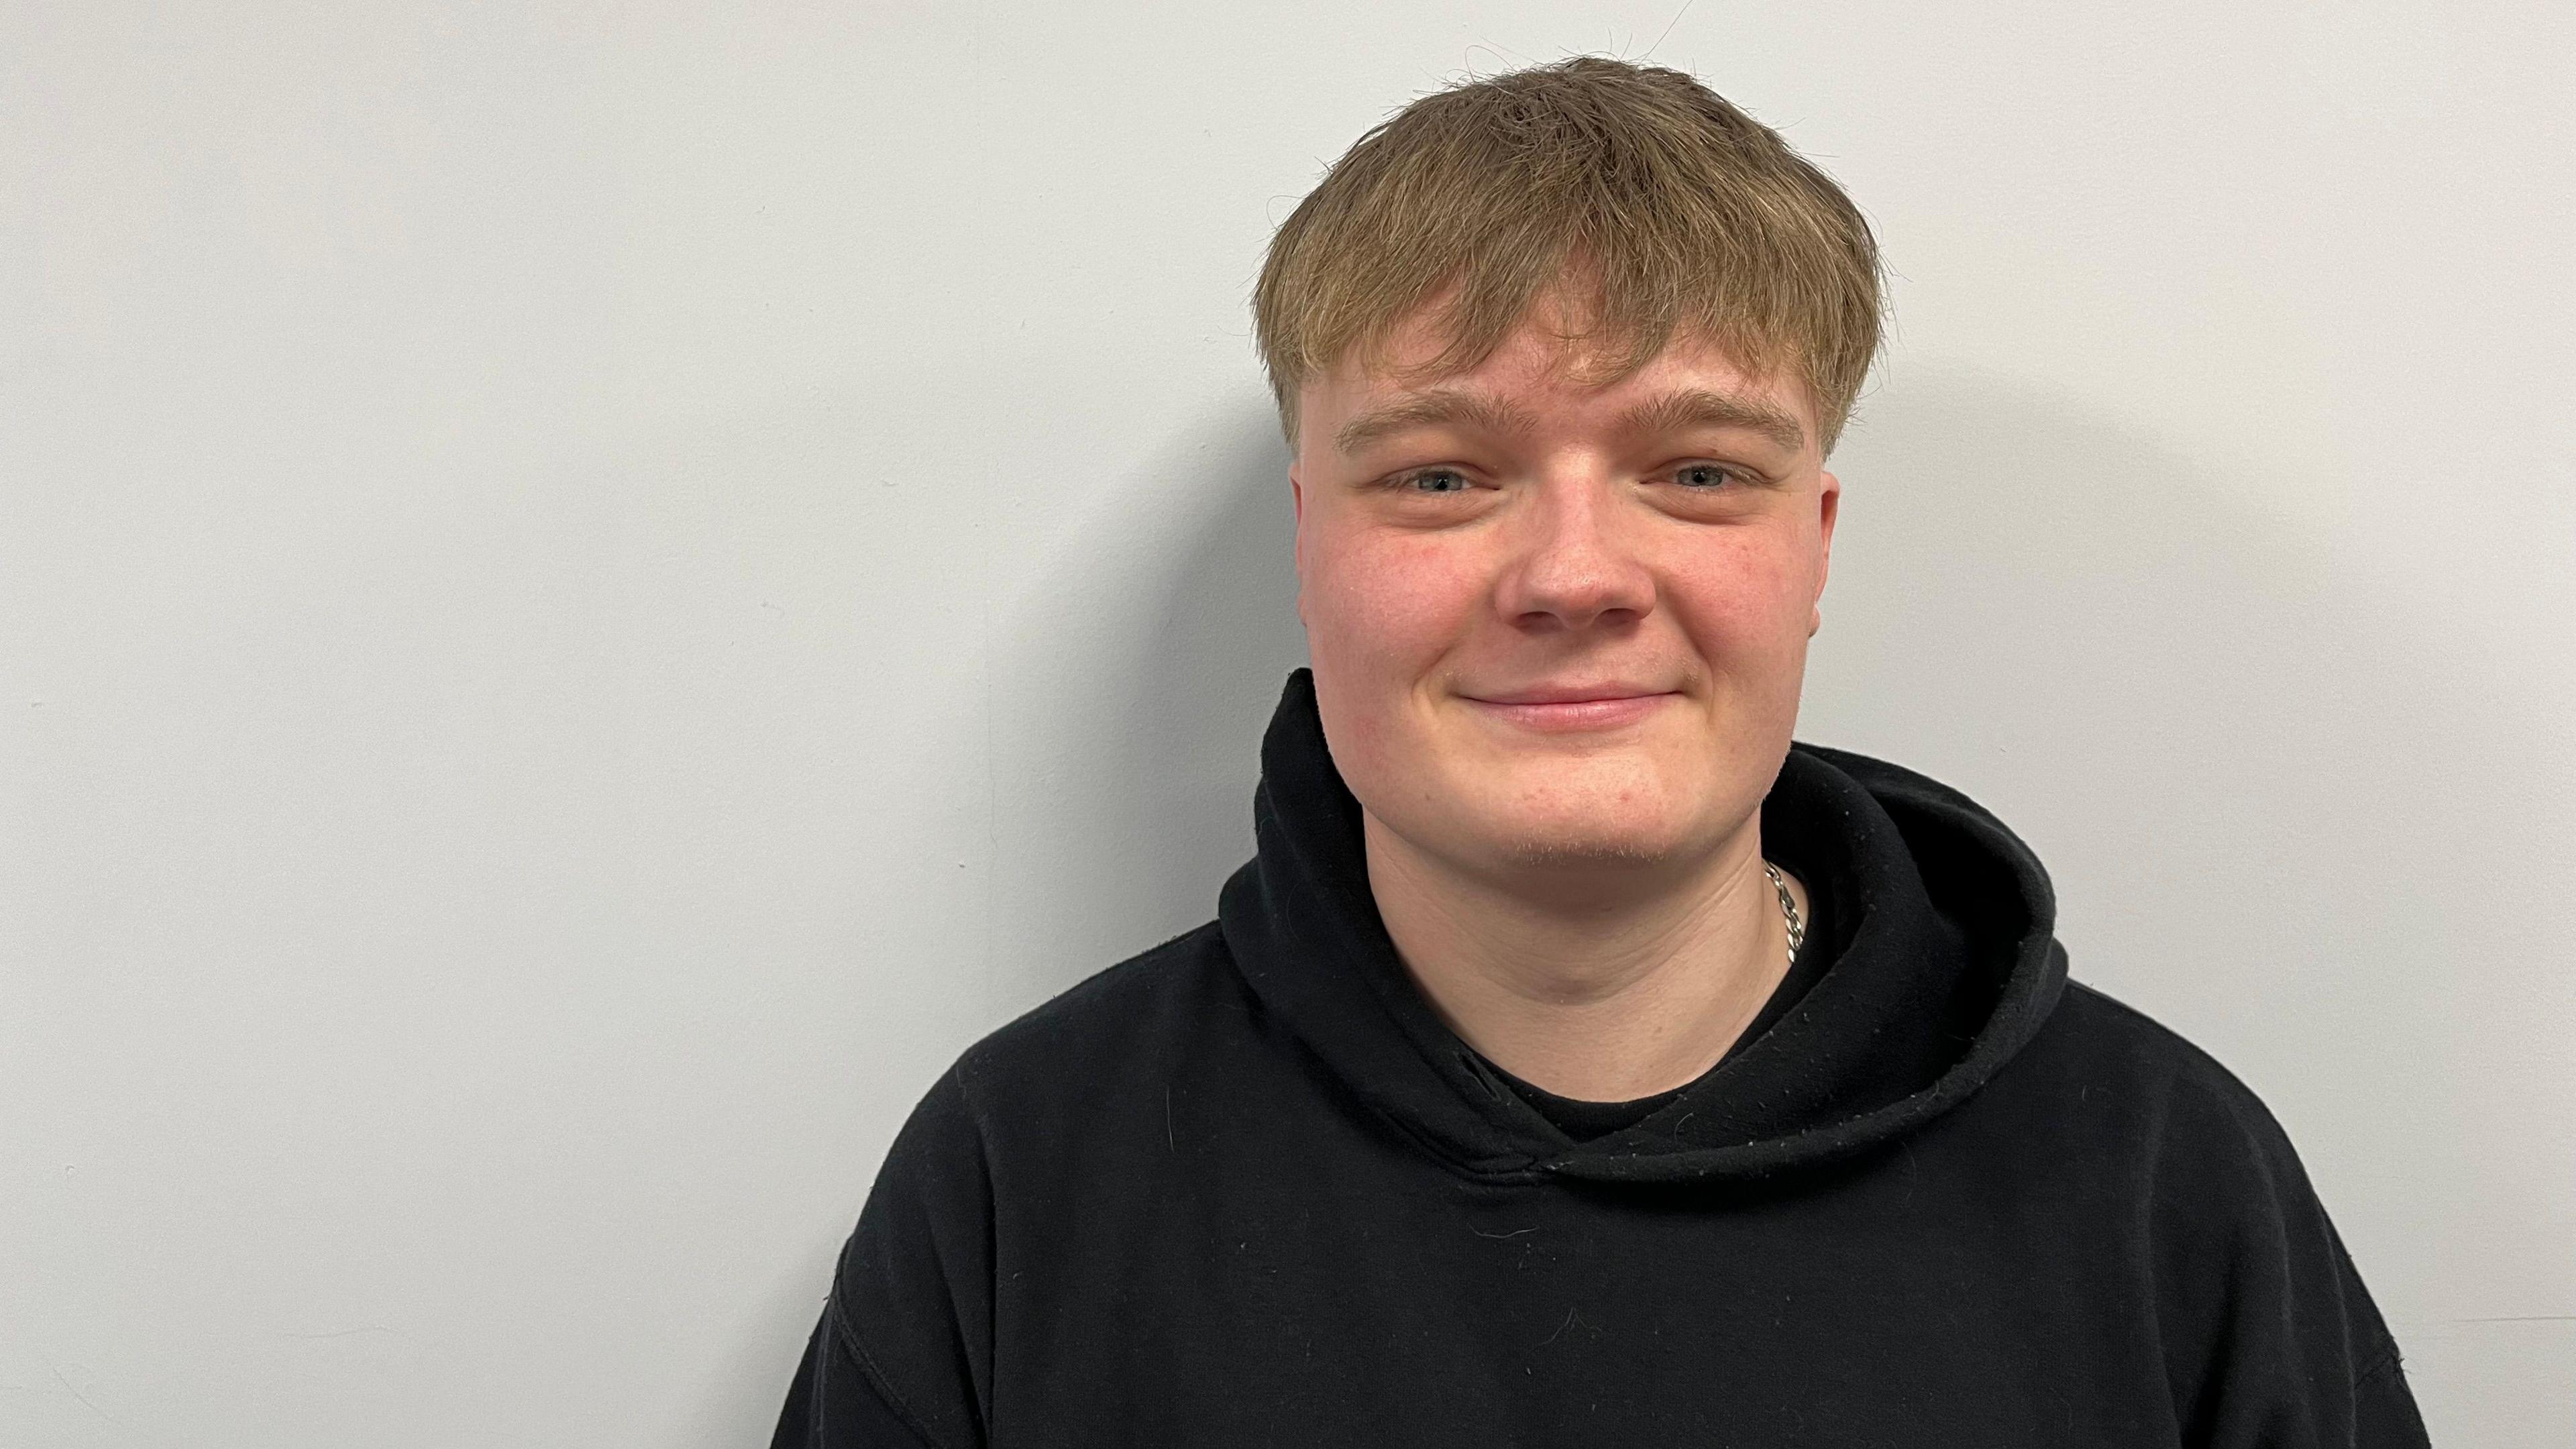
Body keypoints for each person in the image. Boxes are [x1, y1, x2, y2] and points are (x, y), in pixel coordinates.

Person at [771, 56, 2429, 1447]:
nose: (1572, 576)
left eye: (1699, 472)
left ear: (1815, 547)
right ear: (1311, 543)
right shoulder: (1024, 1176)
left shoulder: (2163, 1186)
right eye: (1439, 475)